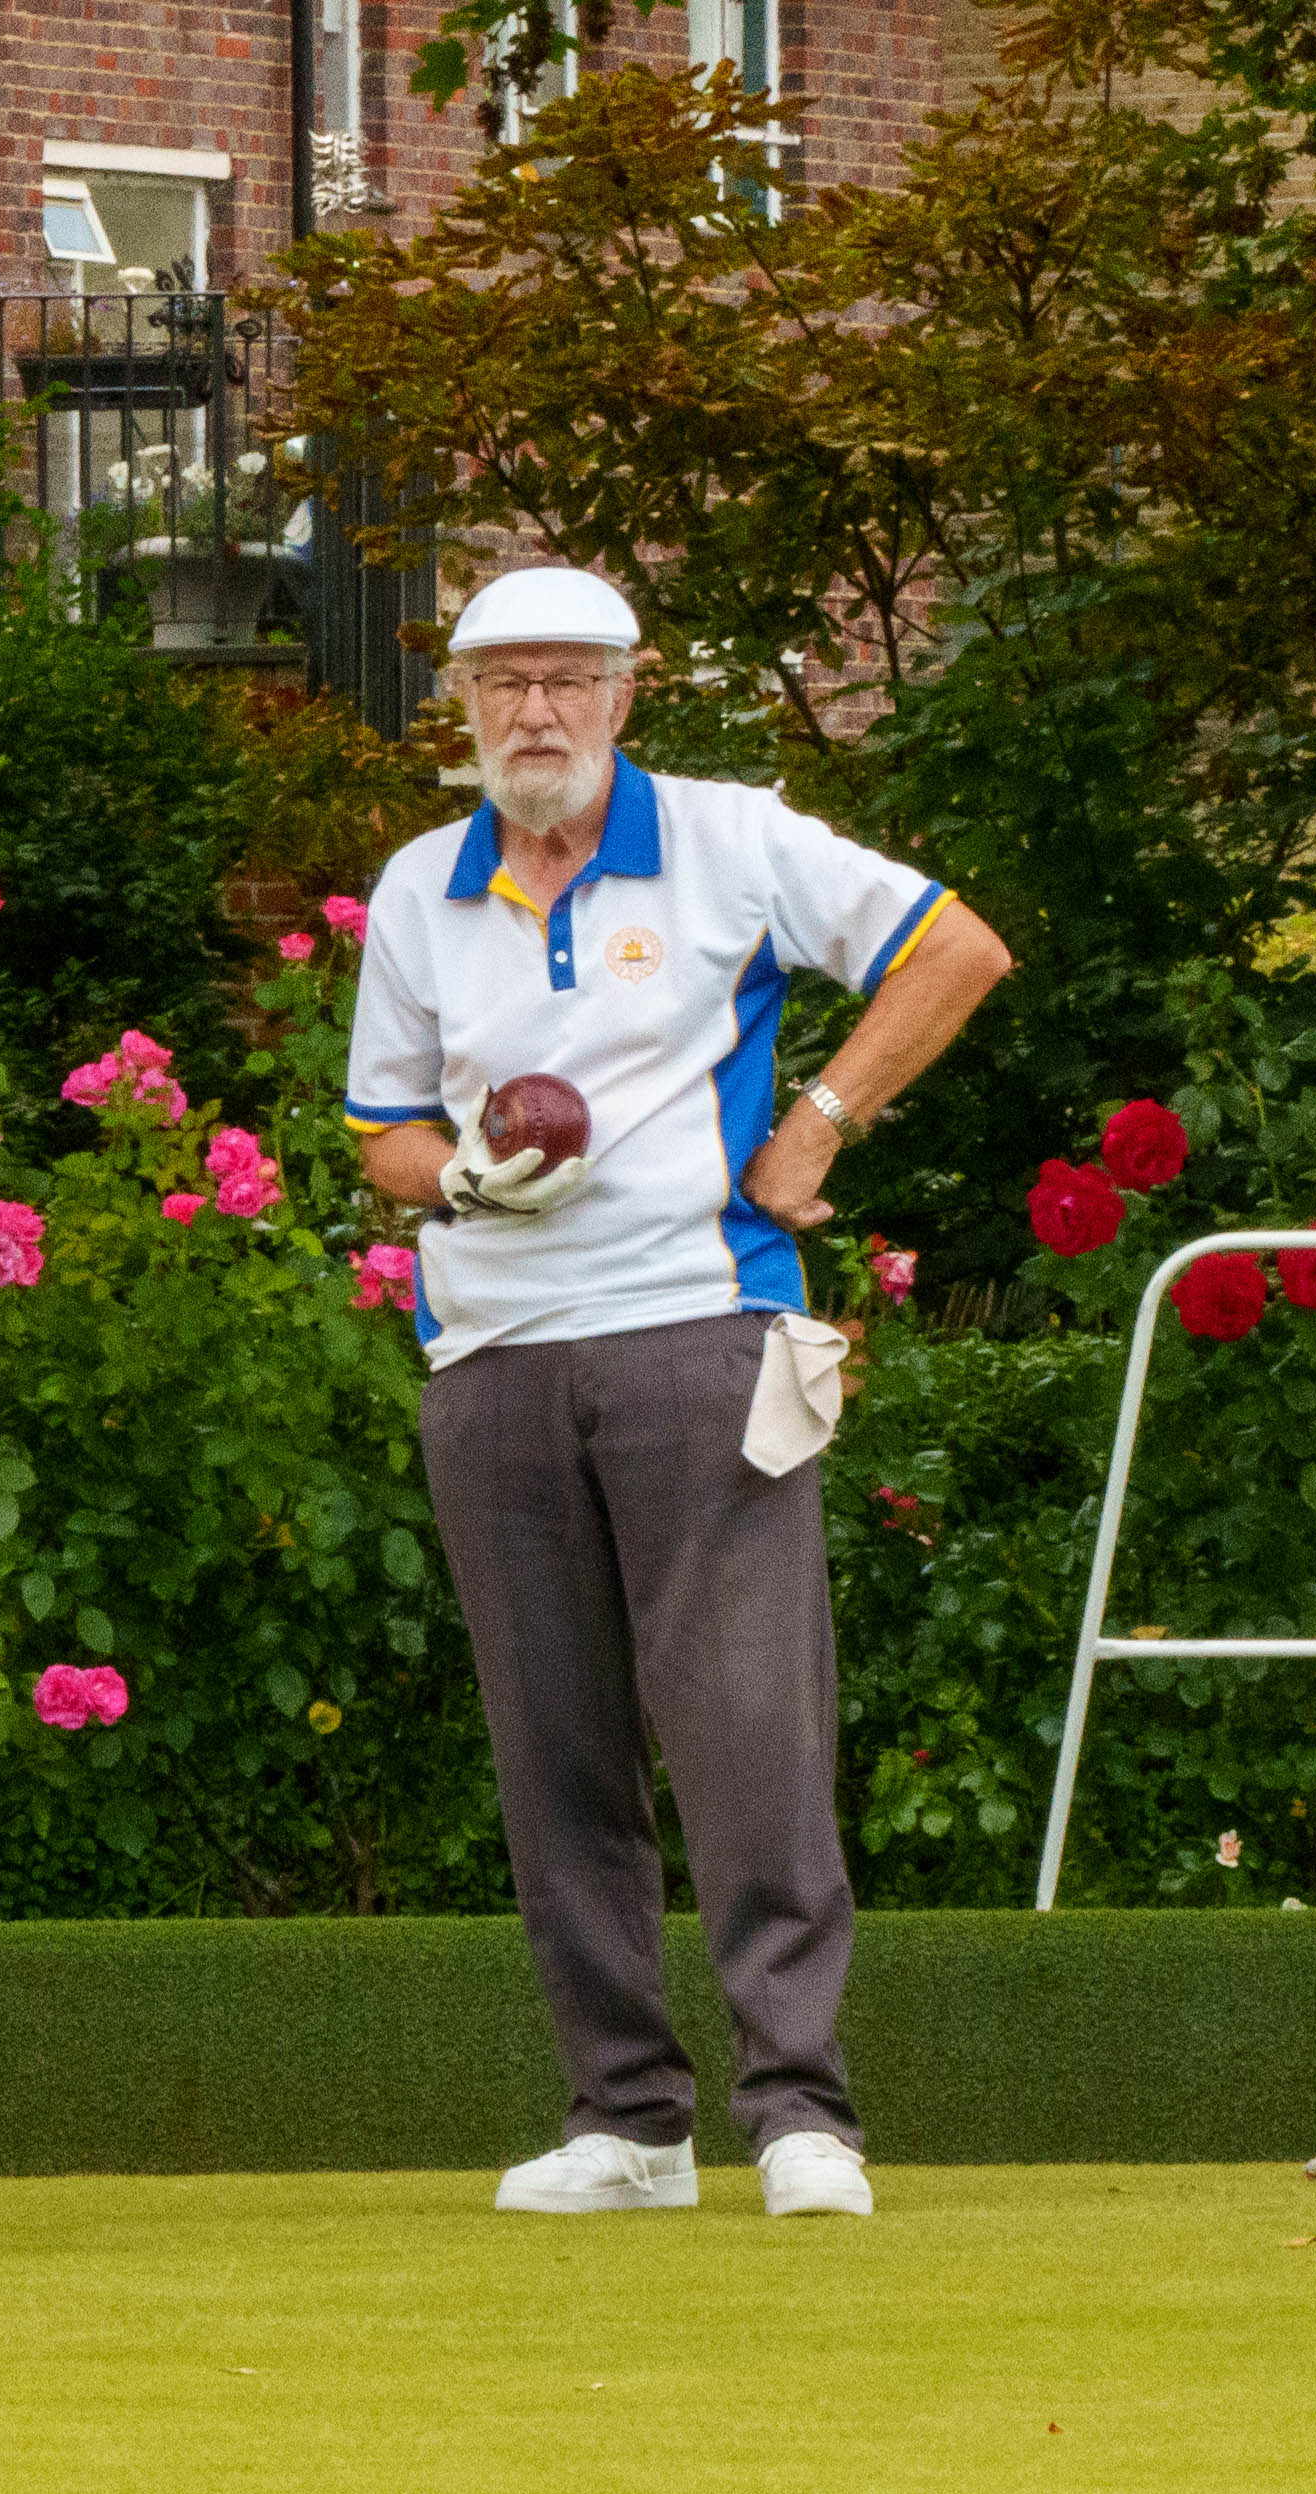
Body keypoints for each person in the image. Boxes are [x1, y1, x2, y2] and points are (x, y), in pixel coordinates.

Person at [342, 564, 1011, 2218]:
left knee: (747, 1726)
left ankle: (801, 2114)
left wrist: (822, 1124)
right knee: (553, 1742)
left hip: (701, 1326)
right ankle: (630, 2123)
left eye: (569, 682)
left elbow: (955, 950)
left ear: (627, 696)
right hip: (491, 1353)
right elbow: (382, 1133)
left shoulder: (729, 840)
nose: (537, 714)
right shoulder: (425, 887)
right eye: (506, 687)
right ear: (470, 709)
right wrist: (459, 1182)